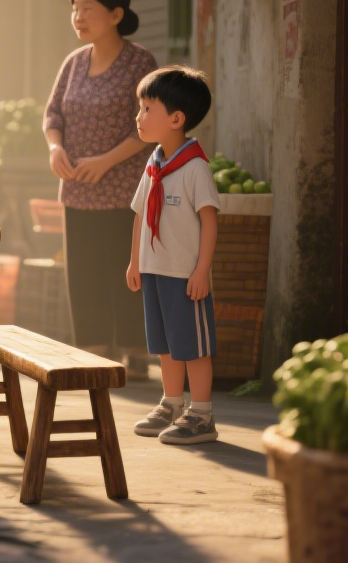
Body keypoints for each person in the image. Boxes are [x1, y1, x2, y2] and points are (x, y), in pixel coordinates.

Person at [43, 0, 158, 372]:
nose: (78, 16)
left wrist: (105, 161)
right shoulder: (73, 63)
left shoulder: (140, 62)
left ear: (115, 13)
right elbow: (53, 114)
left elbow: (149, 124)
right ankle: (93, 352)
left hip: (125, 187)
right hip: (76, 189)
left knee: (125, 269)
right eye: (75, 9)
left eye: (87, 8)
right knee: (84, 273)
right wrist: (55, 147)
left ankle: (136, 352)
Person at [127, 66, 220, 444]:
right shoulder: (153, 164)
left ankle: (201, 414)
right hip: (154, 271)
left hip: (185, 275)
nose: (139, 116)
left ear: (176, 119)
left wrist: (201, 271)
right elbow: (139, 216)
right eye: (140, 107)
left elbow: (210, 223)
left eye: (148, 108)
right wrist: (135, 261)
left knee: (193, 347)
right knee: (164, 344)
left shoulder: (195, 168)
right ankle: (171, 403)